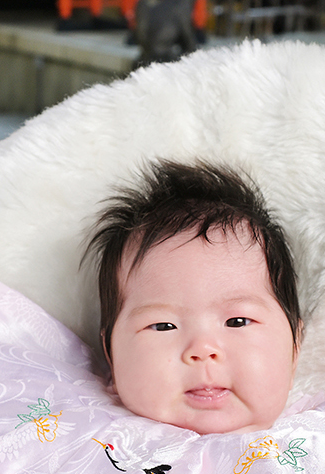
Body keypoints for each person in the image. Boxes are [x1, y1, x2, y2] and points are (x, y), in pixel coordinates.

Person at [88, 159, 302, 436]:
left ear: (295, 348)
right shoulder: (85, 442)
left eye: (237, 321)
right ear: (111, 354)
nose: (202, 349)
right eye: (164, 326)